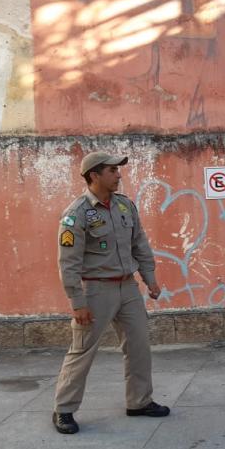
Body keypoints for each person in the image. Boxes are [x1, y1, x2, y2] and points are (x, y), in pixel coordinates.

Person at [52, 151, 169, 434]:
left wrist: (149, 278)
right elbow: (68, 262)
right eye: (112, 171)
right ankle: (64, 410)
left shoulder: (125, 207)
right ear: (94, 175)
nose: (119, 175)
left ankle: (139, 402)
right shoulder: (76, 214)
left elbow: (139, 243)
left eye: (118, 171)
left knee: (139, 345)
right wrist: (77, 302)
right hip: (95, 290)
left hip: (128, 287)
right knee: (82, 350)